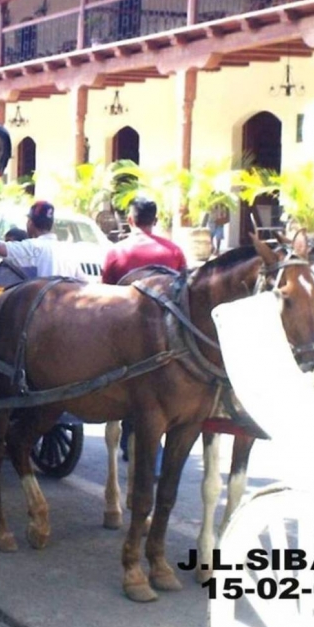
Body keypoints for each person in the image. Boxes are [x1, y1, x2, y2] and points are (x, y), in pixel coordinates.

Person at [102, 196, 187, 464]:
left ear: (130, 220)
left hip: (122, 340)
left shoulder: (117, 252)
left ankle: (133, 438)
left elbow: (104, 297)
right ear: (156, 220)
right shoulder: (174, 252)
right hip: (168, 340)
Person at [0, 200, 88, 279]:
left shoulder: (32, 247)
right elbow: (83, 283)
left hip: (39, 311)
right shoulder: (68, 250)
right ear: (51, 225)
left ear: (30, 223)